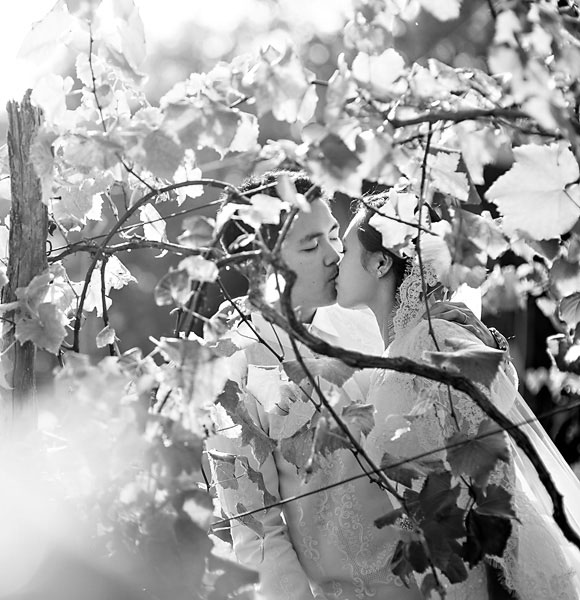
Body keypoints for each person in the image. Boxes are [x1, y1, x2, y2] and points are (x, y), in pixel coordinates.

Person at [206, 171, 501, 600]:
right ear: (258, 261)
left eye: (332, 235)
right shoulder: (231, 367)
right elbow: (257, 529)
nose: (334, 253)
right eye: (310, 245)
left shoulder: (377, 314)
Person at [334, 192, 580, 599]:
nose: (335, 262)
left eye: (344, 249)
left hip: (484, 573)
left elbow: (492, 471)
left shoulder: (436, 341)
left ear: (380, 262)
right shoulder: (396, 355)